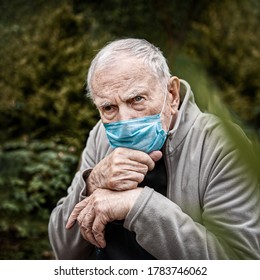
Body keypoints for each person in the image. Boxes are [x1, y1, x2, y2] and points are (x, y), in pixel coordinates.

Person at [48, 38, 260, 260]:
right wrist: (92, 182)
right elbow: (64, 251)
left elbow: (241, 263)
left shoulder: (221, 143)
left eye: (137, 99)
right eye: (109, 107)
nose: (125, 120)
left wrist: (137, 206)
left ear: (172, 94)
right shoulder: (101, 134)